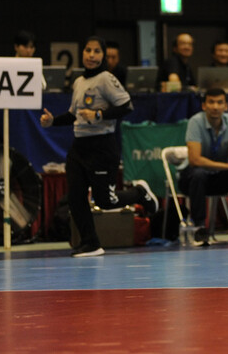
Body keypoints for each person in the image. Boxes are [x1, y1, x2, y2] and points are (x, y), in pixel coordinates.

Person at [39, 36, 158, 257]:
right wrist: (53, 121)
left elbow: (127, 106)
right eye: (88, 50)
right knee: (75, 198)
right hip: (79, 147)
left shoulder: (106, 79)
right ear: (82, 53)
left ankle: (139, 193)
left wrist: (99, 114)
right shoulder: (78, 81)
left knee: (106, 201)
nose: (91, 55)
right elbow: (74, 115)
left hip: (102, 146)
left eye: (96, 51)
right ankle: (91, 243)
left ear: (103, 56)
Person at [181, 88, 228, 246]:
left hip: (220, 177)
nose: (215, 106)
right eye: (211, 102)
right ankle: (200, 228)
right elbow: (195, 160)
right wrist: (227, 165)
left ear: (226, 106)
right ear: (204, 106)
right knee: (198, 174)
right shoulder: (195, 122)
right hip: (191, 179)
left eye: (219, 102)